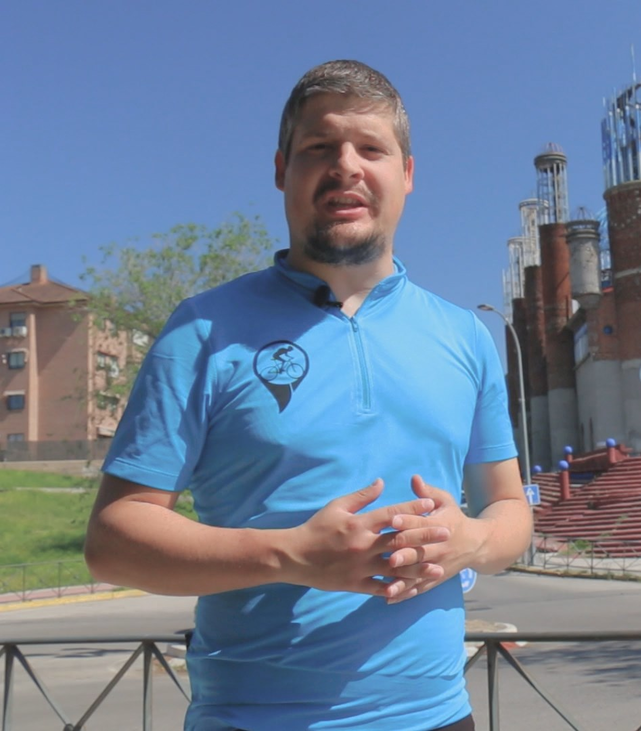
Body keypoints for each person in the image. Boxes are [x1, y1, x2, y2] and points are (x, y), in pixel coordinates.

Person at [84, 60, 532, 731]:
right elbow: (113, 540)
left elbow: (508, 507)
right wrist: (290, 553)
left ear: (406, 174)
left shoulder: (465, 336)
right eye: (319, 148)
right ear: (281, 171)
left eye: (370, 148)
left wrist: (472, 542)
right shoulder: (203, 329)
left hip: (440, 717)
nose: (346, 165)